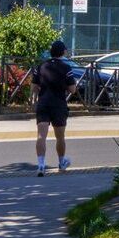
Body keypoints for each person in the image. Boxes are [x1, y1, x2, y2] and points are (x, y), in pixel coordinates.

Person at [33, 40, 78, 176]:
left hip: (43, 103)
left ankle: (41, 165)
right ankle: (61, 163)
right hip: (58, 104)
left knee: (41, 136)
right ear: (63, 52)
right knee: (60, 137)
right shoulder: (66, 68)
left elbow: (34, 88)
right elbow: (72, 89)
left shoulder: (41, 66)